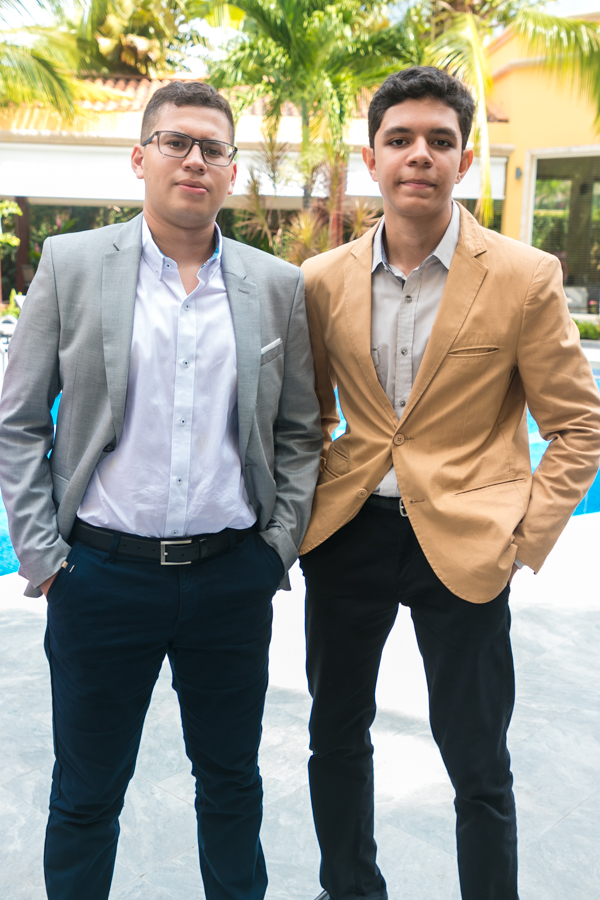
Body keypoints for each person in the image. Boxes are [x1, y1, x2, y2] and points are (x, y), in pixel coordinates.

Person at [0, 81, 322, 900]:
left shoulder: (276, 285)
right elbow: (19, 421)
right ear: (139, 158)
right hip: (100, 579)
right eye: (176, 142)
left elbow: (298, 431)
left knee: (232, 785)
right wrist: (42, 556)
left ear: (233, 172)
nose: (194, 160)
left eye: (213, 148)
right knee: (86, 794)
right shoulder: (72, 265)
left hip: (230, 580)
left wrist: (275, 549)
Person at [298, 66, 600, 900]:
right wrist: (306, 513)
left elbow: (579, 425)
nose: (419, 156)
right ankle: (350, 890)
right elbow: (305, 417)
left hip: (468, 545)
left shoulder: (523, 275)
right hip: (350, 534)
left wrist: (523, 538)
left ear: (465, 160)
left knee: (477, 760)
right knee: (335, 737)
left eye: (440, 140)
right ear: (371, 159)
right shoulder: (321, 280)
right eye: (400, 139)